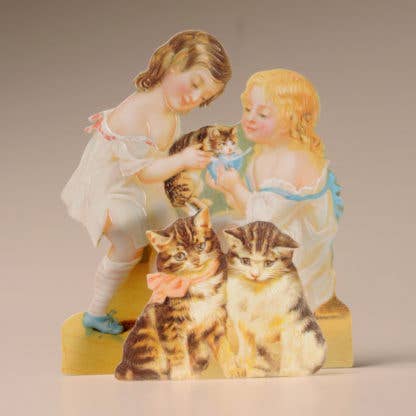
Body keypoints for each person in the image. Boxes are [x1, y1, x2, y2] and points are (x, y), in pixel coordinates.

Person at [61, 30, 232, 334]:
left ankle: (168, 300)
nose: (194, 99)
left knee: (176, 231)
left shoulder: (168, 110)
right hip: (116, 189)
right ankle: (96, 311)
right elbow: (144, 172)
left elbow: (161, 159)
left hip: (142, 186)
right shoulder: (137, 112)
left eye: (203, 99)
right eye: (195, 85)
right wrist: (183, 160)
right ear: (173, 64)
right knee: (128, 241)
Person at [207, 69, 342, 311]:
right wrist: (226, 188)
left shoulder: (294, 159)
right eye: (248, 109)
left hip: (294, 259)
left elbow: (265, 220)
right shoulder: (263, 154)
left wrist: (235, 186)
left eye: (263, 114)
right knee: (212, 231)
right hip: (265, 240)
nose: (250, 118)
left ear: (291, 120)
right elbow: (250, 209)